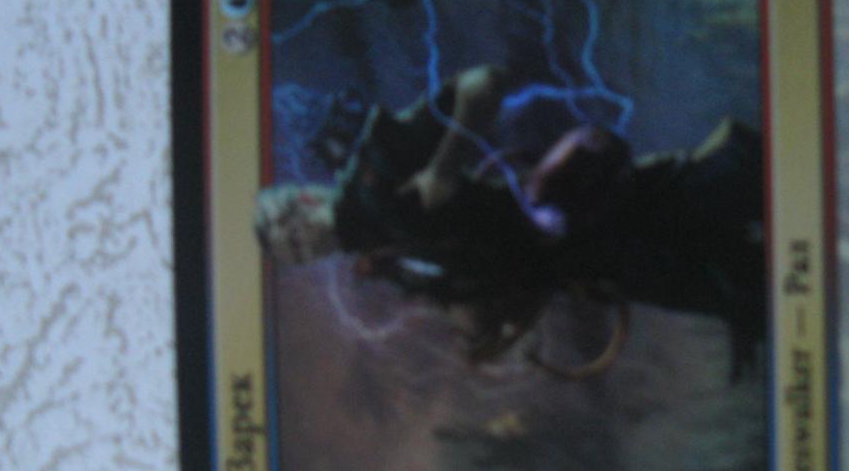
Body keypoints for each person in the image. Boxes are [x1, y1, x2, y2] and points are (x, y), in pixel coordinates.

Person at [255, 64, 765, 377]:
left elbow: (484, 83)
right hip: (568, 266)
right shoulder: (377, 257)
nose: (307, 246)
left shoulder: (378, 169)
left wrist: (442, 168)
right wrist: (482, 333)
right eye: (296, 252)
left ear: (305, 198)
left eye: (295, 232)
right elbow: (459, 280)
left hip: (562, 216)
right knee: (728, 285)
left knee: (713, 194)